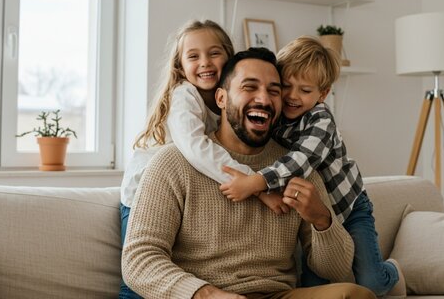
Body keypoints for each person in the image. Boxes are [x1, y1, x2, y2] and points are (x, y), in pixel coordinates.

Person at [122, 48, 376, 299]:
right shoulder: (172, 163)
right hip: (203, 295)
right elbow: (139, 259)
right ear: (221, 98)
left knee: (355, 295)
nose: (264, 99)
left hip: (277, 294)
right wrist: (206, 294)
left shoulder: (297, 167)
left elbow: (336, 270)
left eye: (274, 91)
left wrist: (322, 219)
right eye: (249, 87)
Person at [219, 37, 406, 298]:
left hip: (349, 207)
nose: (293, 96)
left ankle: (392, 272)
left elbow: (300, 161)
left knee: (372, 283)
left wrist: (256, 183)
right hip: (314, 217)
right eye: (286, 86)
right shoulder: (276, 116)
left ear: (323, 93)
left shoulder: (321, 120)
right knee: (311, 286)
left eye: (305, 91)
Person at [118, 20, 288, 298]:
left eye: (214, 53)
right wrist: (256, 184)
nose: (205, 63)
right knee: (137, 278)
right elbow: (196, 148)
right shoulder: (185, 95)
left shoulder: (223, 102)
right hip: (141, 193)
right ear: (180, 66)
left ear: (229, 58)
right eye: (193, 56)